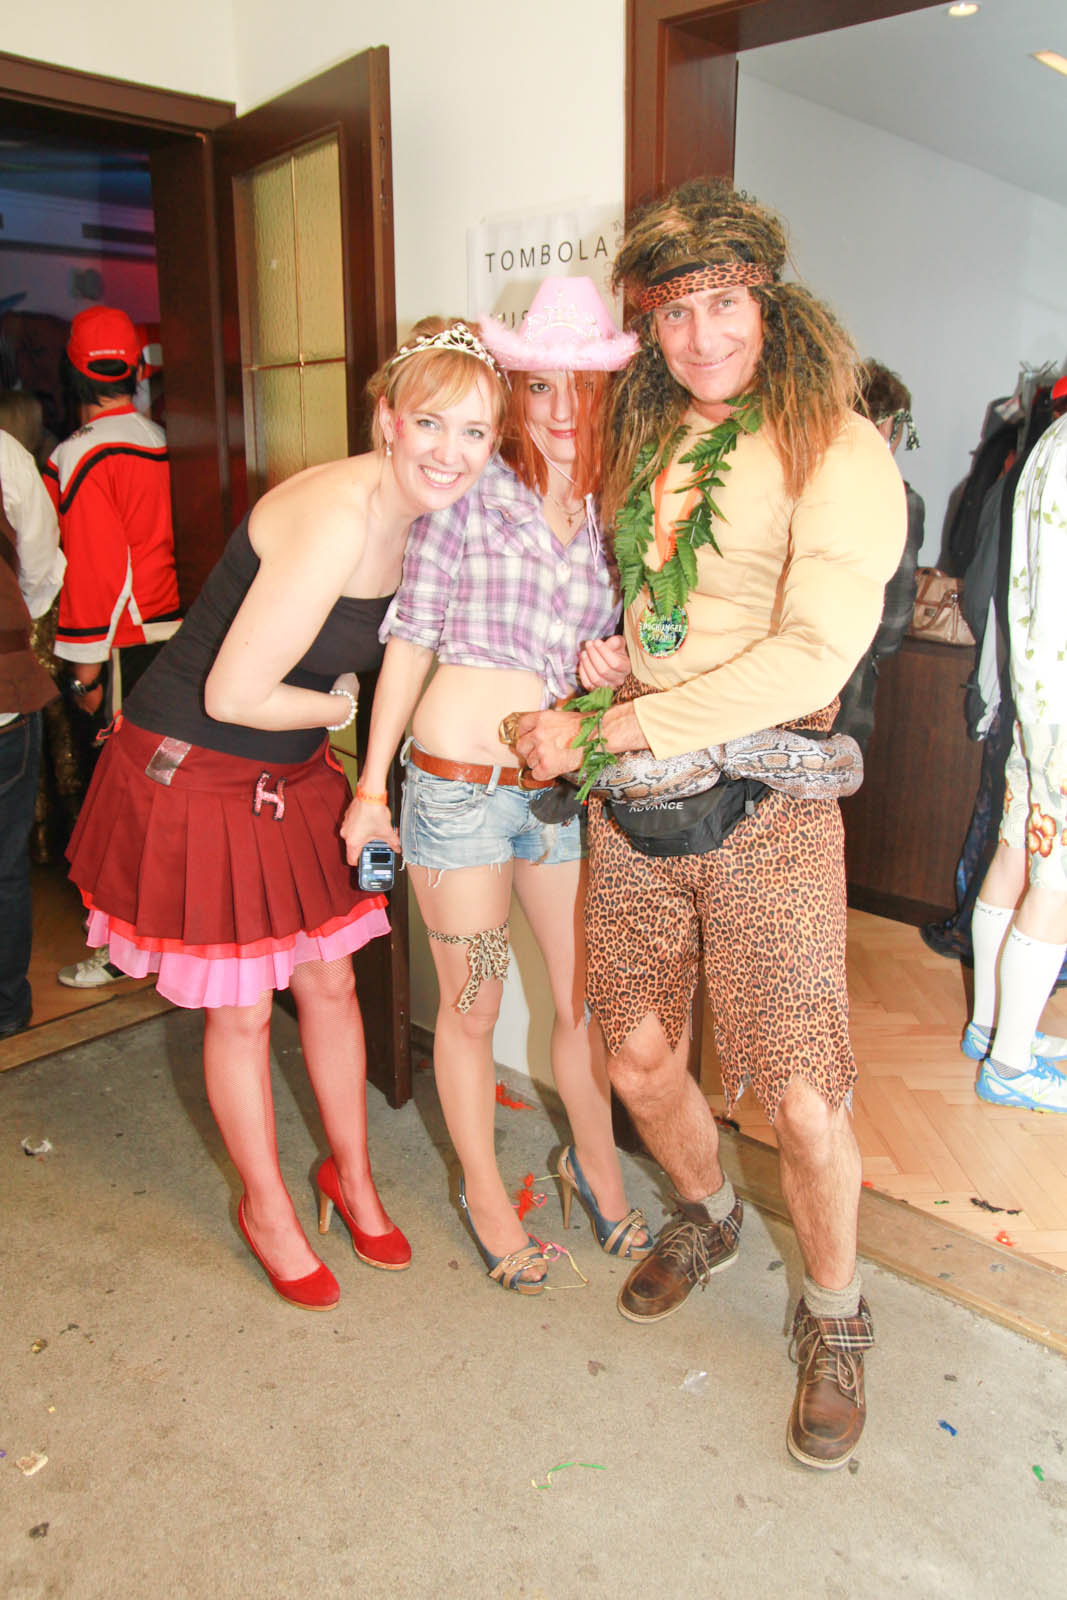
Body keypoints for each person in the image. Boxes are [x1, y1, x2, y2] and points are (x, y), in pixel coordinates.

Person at [514, 181, 904, 1466]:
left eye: (723, 303)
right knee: (632, 1056)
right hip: (640, 802)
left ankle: (834, 1315)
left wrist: (622, 723)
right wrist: (620, 663)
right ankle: (705, 1209)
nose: (701, 337)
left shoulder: (837, 444)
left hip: (770, 804)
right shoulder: (653, 432)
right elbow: (672, 608)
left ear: (768, 298)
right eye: (673, 313)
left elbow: (809, 653)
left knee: (799, 1095)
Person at [65, 319, 506, 1308]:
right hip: (197, 765)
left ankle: (351, 1178)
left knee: (333, 985)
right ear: (387, 417)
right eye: (430, 422)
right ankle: (264, 1208)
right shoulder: (335, 517)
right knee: (240, 1010)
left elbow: (409, 647)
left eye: (474, 432)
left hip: (289, 769)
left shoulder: (433, 516)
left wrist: (369, 786)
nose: (450, 451)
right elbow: (234, 693)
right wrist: (338, 711)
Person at [340, 276, 651, 1294]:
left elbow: (617, 663)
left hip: (556, 796)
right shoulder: (470, 490)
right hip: (456, 793)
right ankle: (483, 1195)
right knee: (472, 1007)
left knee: (583, 1003)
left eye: (581, 390)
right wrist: (371, 788)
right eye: (538, 388)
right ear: (513, 394)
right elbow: (409, 638)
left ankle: (594, 1166)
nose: (561, 413)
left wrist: (610, 669)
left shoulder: (614, 515)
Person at [44, 307, 181, 989]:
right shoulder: (164, 438)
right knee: (168, 798)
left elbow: (96, 572)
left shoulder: (79, 454)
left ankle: (123, 949)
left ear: (73, 371)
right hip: (179, 637)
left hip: (122, 646)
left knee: (119, 808)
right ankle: (170, 939)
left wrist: (84, 673)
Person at [964, 407, 1067, 1111]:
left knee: (1016, 849)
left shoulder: (1052, 438)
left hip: (1038, 691)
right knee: (1057, 876)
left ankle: (992, 1025)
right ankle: (1009, 1063)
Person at [0, 425, 65, 1038]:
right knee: (3, 866)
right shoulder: (4, 453)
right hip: (4, 688)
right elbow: (42, 568)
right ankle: (5, 1007)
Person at [833, 360, 924, 753]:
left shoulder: (802, 477)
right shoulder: (898, 500)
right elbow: (893, 619)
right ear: (888, 426)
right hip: (846, 680)